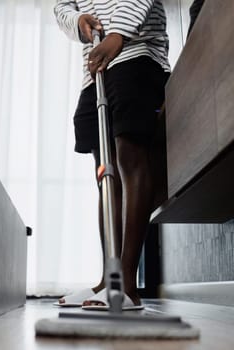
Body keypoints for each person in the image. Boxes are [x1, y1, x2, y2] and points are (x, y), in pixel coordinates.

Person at [53, 0, 170, 309]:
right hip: (96, 70)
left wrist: (117, 33)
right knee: (106, 174)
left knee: (129, 155)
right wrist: (78, 20)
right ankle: (109, 280)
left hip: (137, 54)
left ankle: (127, 286)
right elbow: (61, 7)